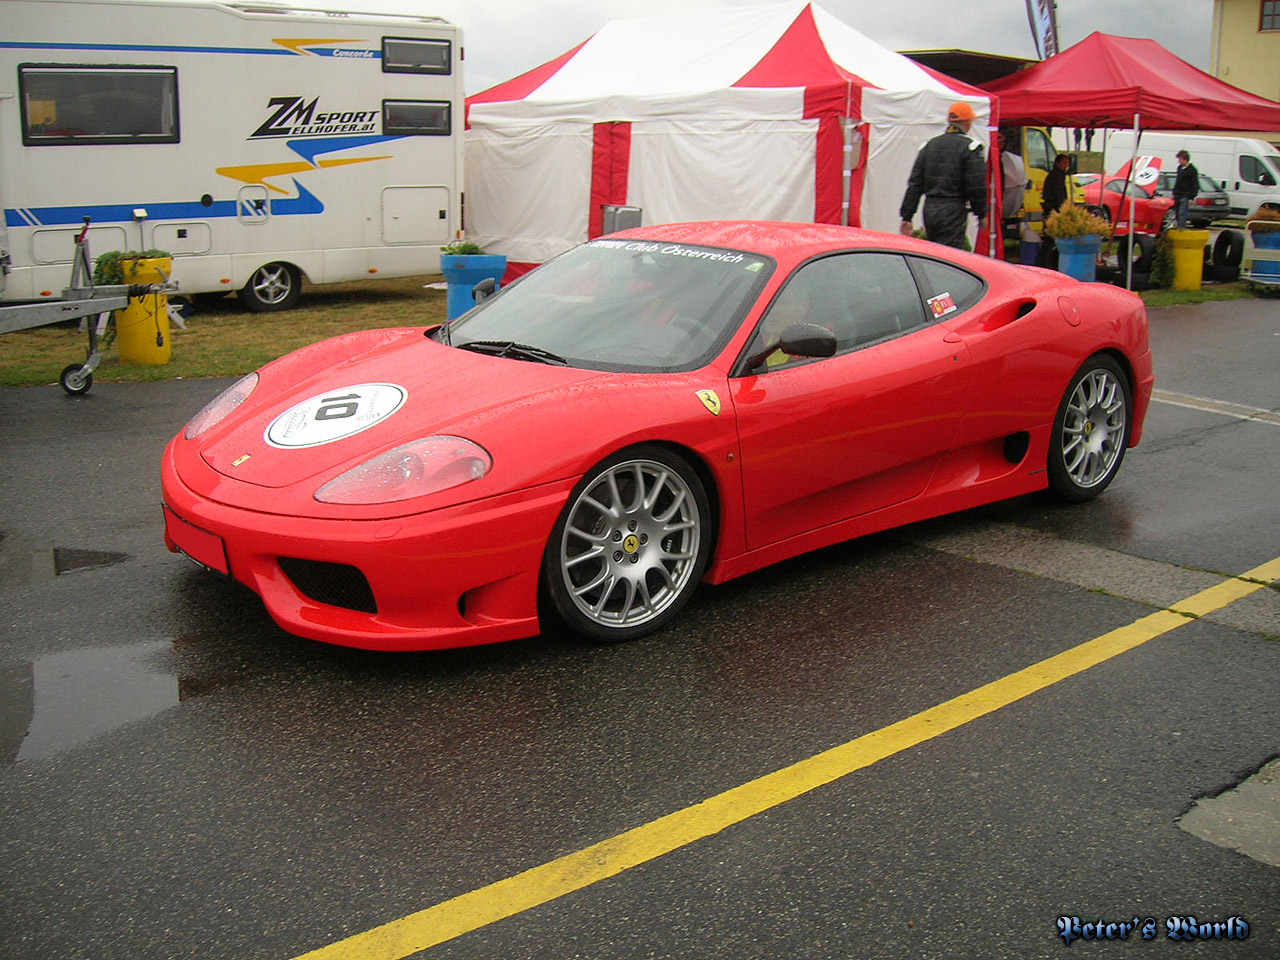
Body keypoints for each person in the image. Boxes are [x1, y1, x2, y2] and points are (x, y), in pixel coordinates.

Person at [899, 102, 988, 249]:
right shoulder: (972, 147)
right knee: (950, 257)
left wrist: (907, 216)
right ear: (967, 122)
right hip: (953, 208)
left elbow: (915, 183)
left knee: (934, 254)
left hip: (930, 208)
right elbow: (976, 185)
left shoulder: (930, 145)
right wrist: (981, 213)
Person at [1038, 153, 1072, 267]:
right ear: (1057, 163)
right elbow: (1059, 194)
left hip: (1052, 209)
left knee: (1049, 240)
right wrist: (1063, 210)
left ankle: (1044, 262)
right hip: (1053, 211)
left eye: (1067, 163)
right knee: (1050, 239)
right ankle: (1046, 264)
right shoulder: (1057, 176)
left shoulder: (1056, 175)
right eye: (1064, 163)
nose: (1066, 166)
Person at [1172, 149, 1200, 228]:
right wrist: (1174, 193)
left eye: (1180, 159)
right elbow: (1177, 181)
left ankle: (1182, 228)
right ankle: (1177, 227)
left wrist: (1191, 197)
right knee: (1177, 213)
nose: (1179, 161)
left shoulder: (1192, 170)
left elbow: (1195, 184)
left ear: (1185, 159)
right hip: (1178, 194)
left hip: (1185, 195)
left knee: (1182, 213)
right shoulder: (1179, 168)